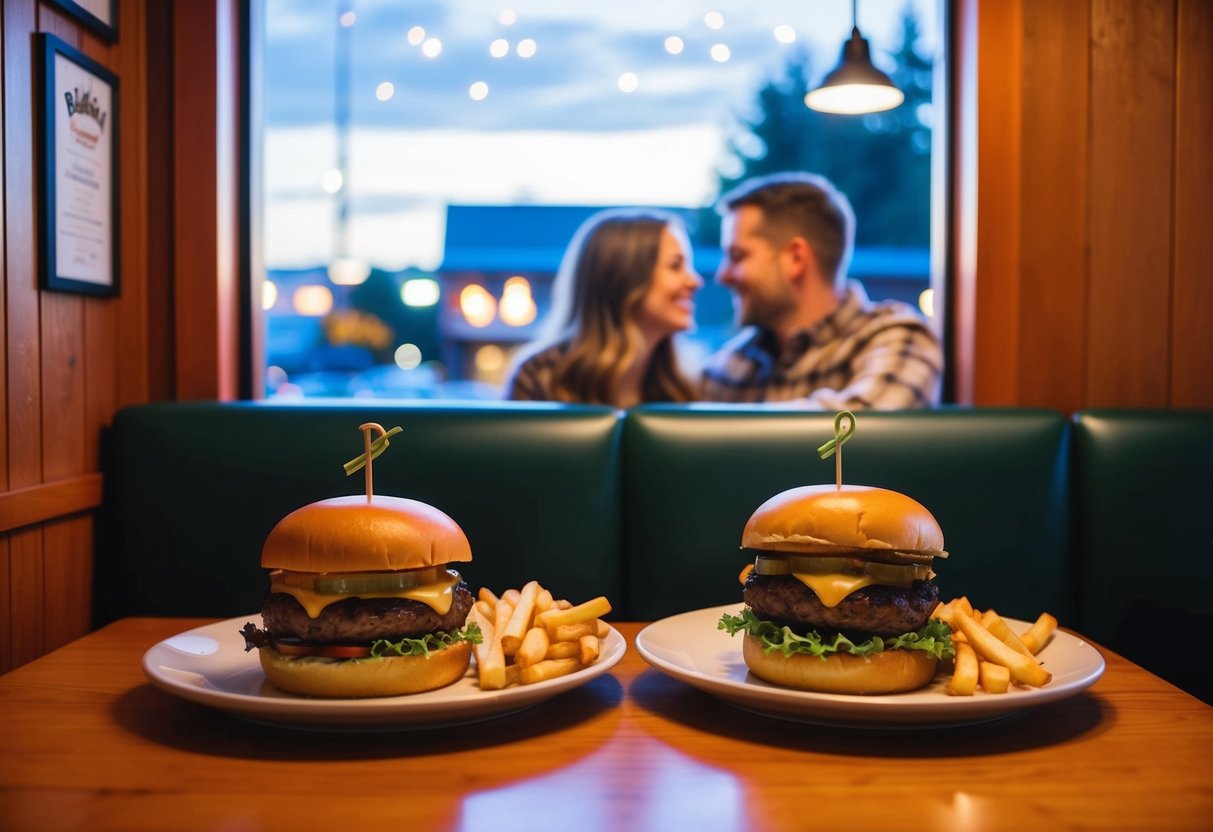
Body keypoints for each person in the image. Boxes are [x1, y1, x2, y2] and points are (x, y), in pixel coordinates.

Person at [700, 172, 942, 409]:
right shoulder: (731, 365)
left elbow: (865, 432)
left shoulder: (896, 337)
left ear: (796, 258)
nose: (722, 276)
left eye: (738, 256)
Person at [506, 208, 702, 407]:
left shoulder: (685, 386)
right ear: (625, 278)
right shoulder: (539, 377)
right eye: (675, 266)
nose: (695, 282)